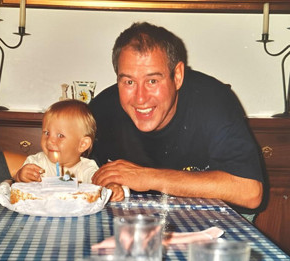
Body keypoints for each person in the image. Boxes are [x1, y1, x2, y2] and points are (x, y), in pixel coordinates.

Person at [90, 22, 264, 213]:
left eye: (152, 81)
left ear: (178, 76)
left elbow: (250, 193)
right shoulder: (101, 110)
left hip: (211, 218)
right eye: (129, 82)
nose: (140, 98)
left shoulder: (213, 100)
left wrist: (148, 177)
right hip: (135, 218)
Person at [14, 99, 125, 201]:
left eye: (60, 135)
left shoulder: (86, 168)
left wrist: (111, 187)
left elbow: (100, 183)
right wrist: (21, 176)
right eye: (46, 133)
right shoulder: (37, 163)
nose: (50, 140)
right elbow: (17, 184)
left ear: (82, 144)